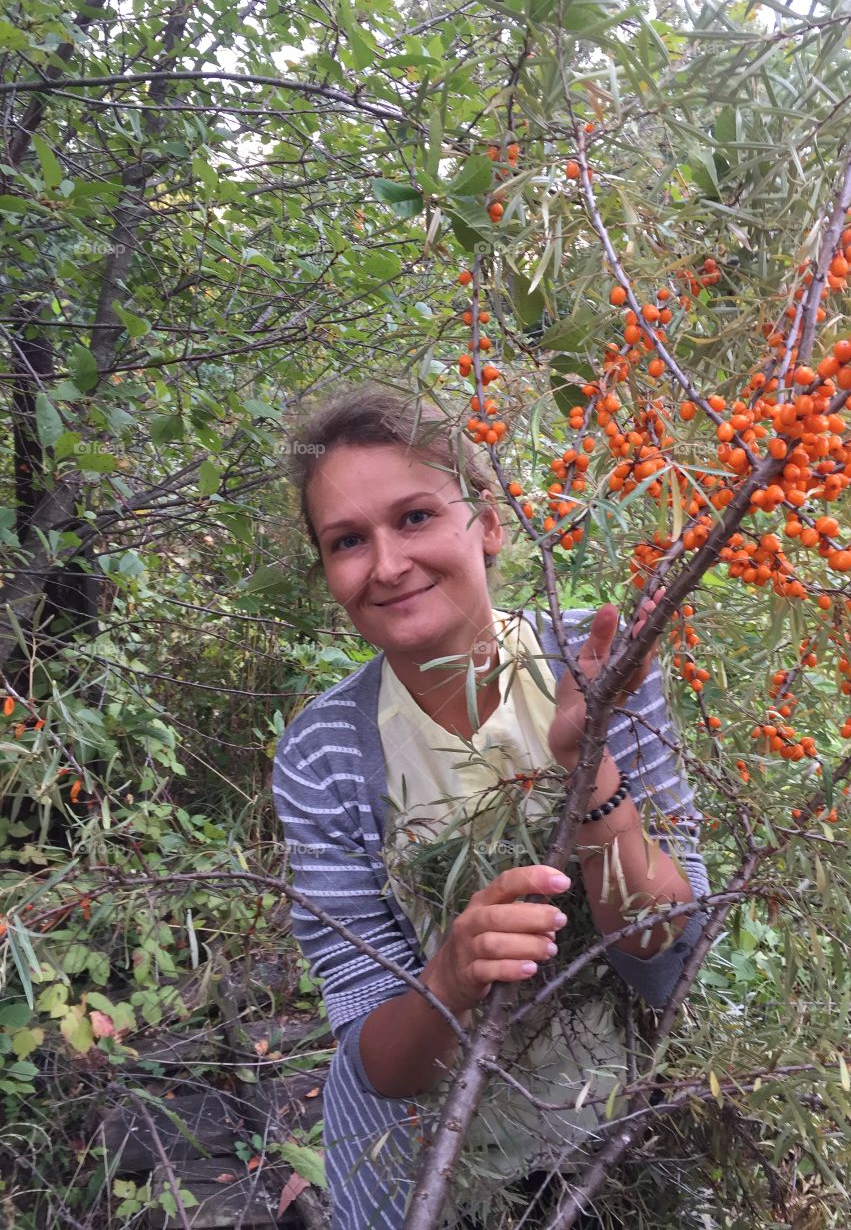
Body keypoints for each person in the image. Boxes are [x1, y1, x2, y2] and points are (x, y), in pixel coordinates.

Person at [272, 385, 709, 1228]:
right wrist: (451, 977)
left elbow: (663, 960)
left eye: (415, 517)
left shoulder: (592, 662)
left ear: (491, 522)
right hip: (430, 1167)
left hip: (615, 1133)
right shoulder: (324, 752)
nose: (387, 564)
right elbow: (379, 1062)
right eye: (347, 541)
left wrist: (590, 770)